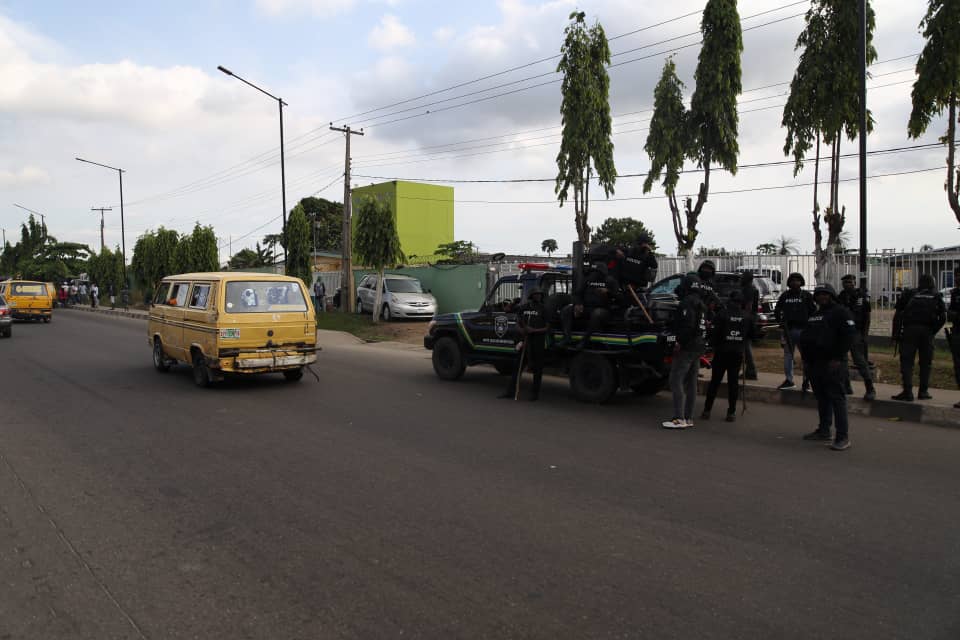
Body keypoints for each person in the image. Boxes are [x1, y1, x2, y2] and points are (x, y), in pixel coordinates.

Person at [798, 283, 856, 451]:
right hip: (815, 363)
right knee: (822, 398)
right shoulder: (816, 315)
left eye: (825, 294)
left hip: (833, 363)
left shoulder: (840, 312)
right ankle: (824, 430)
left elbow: (849, 336)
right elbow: (807, 337)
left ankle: (842, 437)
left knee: (837, 399)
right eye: (819, 294)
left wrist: (838, 358)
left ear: (831, 295)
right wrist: (806, 361)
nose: (822, 297)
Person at [702, 289, 758, 422]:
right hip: (737, 353)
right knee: (733, 383)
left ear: (730, 300)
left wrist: (712, 343)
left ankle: (707, 410)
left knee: (715, 382)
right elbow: (753, 336)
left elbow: (713, 335)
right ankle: (731, 412)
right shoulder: (747, 316)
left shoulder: (721, 314)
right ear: (741, 303)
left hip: (722, 353)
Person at [892, 274, 945, 401]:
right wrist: (932, 331)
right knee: (926, 363)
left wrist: (895, 334)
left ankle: (907, 392)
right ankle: (923, 392)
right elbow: (943, 318)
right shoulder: (936, 296)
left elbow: (898, 314)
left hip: (909, 331)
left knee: (906, 362)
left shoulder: (909, 293)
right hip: (927, 332)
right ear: (932, 283)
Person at [663, 273, 707, 429]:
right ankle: (688, 418)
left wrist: (679, 342)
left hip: (687, 347)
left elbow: (687, 327)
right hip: (699, 346)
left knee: (676, 380)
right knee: (691, 383)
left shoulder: (687, 303)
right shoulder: (701, 303)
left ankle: (678, 418)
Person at [499, 288, 548, 401]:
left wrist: (534, 330)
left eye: (539, 295)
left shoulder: (543, 309)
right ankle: (510, 392)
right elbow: (517, 321)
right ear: (531, 296)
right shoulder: (524, 307)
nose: (538, 296)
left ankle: (534, 395)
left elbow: (547, 327)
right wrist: (520, 329)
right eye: (536, 294)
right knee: (517, 367)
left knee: (537, 370)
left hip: (537, 342)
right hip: (525, 341)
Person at [560, 262, 619, 350]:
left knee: (597, 313)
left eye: (597, 271)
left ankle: (585, 340)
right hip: (586, 308)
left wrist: (608, 292)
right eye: (593, 271)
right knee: (566, 310)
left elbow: (619, 297)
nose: (594, 273)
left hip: (604, 310)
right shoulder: (588, 279)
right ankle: (567, 337)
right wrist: (578, 304)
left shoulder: (611, 281)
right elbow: (577, 294)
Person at [774, 272, 816, 390]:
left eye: (797, 280)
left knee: (806, 357)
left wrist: (811, 327)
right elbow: (777, 310)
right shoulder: (785, 295)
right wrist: (780, 322)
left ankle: (806, 382)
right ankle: (789, 380)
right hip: (788, 330)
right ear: (789, 282)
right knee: (788, 356)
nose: (795, 282)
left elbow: (813, 311)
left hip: (804, 331)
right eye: (792, 280)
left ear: (801, 282)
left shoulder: (806, 295)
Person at [838, 274, 876, 400]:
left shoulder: (861, 296)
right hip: (843, 333)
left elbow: (867, 316)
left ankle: (870, 388)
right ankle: (846, 386)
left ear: (855, 283)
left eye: (849, 282)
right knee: (842, 360)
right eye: (845, 282)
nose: (847, 284)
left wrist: (865, 335)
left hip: (856, 332)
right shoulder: (841, 296)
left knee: (859, 360)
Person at [739, 271, 760, 380]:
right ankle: (749, 370)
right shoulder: (751, 288)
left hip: (747, 319)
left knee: (746, 346)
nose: (740, 279)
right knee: (745, 346)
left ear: (747, 279)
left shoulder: (749, 289)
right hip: (750, 318)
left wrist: (744, 318)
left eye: (742, 277)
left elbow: (749, 305)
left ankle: (751, 371)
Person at [948, 267, 960, 409]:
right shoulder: (955, 293)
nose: (957, 278)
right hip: (957, 332)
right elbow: (950, 312)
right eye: (956, 275)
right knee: (957, 366)